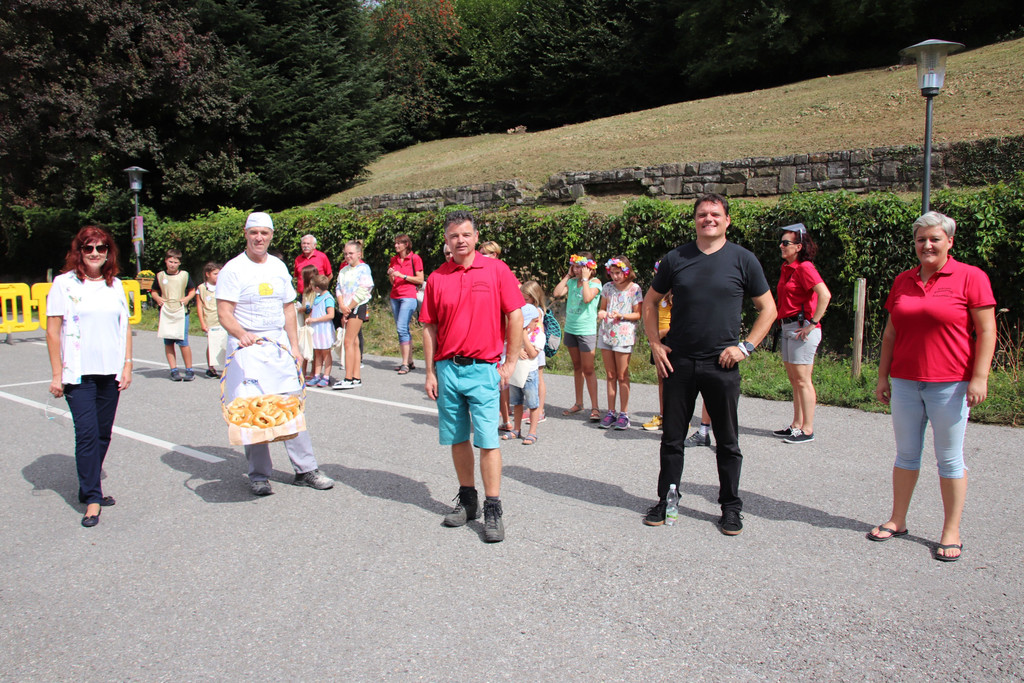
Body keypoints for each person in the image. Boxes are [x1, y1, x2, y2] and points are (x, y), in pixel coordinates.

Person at [642, 193, 777, 534]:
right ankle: (667, 500)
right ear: (695, 220)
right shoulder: (676, 258)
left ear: (727, 220)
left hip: (722, 363)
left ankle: (730, 507)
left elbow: (769, 309)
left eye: (715, 214)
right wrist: (655, 344)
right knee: (672, 439)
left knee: (727, 442)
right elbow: (650, 302)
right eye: (702, 214)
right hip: (679, 362)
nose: (709, 219)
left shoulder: (743, 260)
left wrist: (745, 347)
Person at [869, 211, 996, 563]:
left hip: (951, 384)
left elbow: (987, 330)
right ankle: (897, 519)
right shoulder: (903, 280)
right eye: (921, 239)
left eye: (935, 239)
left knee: (950, 459)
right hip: (906, 382)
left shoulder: (971, 277)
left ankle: (951, 531)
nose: (927, 245)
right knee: (906, 454)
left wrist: (980, 377)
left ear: (949, 242)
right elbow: (891, 333)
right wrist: (883, 377)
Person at [421, 210, 525, 543]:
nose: (460, 241)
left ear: (476, 237)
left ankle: (493, 508)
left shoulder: (496, 270)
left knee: (488, 440)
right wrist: (430, 372)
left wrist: (510, 362)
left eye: (466, 234)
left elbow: (515, 315)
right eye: (454, 236)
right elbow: (429, 327)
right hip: (448, 368)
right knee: (456, 438)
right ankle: (468, 500)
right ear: (446, 240)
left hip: (484, 368)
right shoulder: (437, 277)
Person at [216, 211, 335, 496]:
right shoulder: (233, 269)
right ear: (246, 234)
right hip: (247, 348)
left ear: (271, 236)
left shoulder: (279, 266)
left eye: (264, 233)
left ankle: (305, 470)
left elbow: (287, 309)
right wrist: (241, 334)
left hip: (277, 344)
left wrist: (295, 346)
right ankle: (259, 475)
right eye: (254, 232)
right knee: (254, 411)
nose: (259, 238)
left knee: (290, 406)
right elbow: (224, 312)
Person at [46, 226, 133, 527]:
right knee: (86, 433)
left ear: (109, 252)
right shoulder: (64, 284)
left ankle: (88, 486)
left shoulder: (115, 285)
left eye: (101, 248)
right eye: (88, 248)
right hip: (78, 373)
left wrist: (127, 365)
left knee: (102, 434)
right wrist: (57, 374)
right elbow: (53, 331)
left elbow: (124, 327)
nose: (95, 253)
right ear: (79, 252)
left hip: (110, 371)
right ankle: (93, 498)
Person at [773, 223, 832, 444]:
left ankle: (807, 429)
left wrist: (812, 323)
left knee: (803, 380)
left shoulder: (805, 267)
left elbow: (825, 295)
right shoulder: (787, 268)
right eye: (781, 242)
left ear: (798, 246)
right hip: (789, 327)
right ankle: (796, 425)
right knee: (795, 379)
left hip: (802, 329)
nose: (781, 246)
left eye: (785, 243)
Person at [552, 252, 602, 421]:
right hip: (571, 329)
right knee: (577, 367)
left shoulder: (595, 282)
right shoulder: (572, 282)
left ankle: (595, 407)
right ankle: (578, 403)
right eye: (575, 266)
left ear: (589, 268)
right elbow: (557, 293)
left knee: (588, 369)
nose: (577, 270)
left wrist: (586, 279)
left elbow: (587, 298)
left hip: (586, 331)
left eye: (580, 267)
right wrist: (568, 276)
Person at [596, 255, 643, 430]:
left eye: (618, 273)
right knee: (610, 375)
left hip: (623, 335)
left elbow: (637, 314)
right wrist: (602, 313)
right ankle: (611, 412)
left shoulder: (635, 289)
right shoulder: (607, 287)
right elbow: (602, 308)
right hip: (606, 333)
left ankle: (624, 414)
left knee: (622, 375)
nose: (615, 276)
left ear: (626, 272)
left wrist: (621, 315)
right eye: (612, 273)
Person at [150, 248, 196, 381]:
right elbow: (154, 291)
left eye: (175, 262)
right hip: (166, 311)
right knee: (168, 341)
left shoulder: (184, 275)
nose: (172, 265)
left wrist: (187, 298)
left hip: (181, 311)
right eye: (170, 262)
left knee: (183, 341)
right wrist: (158, 298)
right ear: (166, 261)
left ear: (179, 263)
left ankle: (189, 369)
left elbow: (192, 290)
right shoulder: (160, 276)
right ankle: (174, 369)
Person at [333, 240, 373, 390]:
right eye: (345, 254)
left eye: (351, 253)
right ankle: (356, 377)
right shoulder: (344, 270)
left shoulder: (364, 269)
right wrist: (342, 306)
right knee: (354, 342)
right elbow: (338, 288)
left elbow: (364, 289)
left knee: (348, 342)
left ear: (359, 254)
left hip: (357, 307)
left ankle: (348, 378)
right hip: (346, 308)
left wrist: (349, 307)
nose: (348, 256)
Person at [502, 296, 541, 445]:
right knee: (517, 402)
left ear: (535, 321)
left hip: (530, 374)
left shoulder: (539, 336)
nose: (523, 328)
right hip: (516, 373)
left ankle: (532, 432)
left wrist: (524, 336)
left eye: (526, 325)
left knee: (532, 403)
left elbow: (533, 353)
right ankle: (516, 429)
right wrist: (517, 350)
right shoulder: (514, 334)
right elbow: (509, 347)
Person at [385, 234, 424, 374]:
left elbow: (420, 279)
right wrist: (391, 275)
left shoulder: (415, 258)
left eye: (398, 243)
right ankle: (410, 361)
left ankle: (404, 364)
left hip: (408, 296)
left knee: (401, 328)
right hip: (395, 296)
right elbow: (393, 282)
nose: (396, 246)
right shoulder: (393, 259)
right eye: (395, 243)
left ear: (406, 244)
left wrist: (403, 276)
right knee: (402, 329)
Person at [521, 281, 549, 425]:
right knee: (529, 379)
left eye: (526, 298)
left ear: (534, 297)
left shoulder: (536, 311)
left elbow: (538, 331)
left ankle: (540, 410)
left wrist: (531, 345)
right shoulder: (528, 308)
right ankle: (531, 407)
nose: (523, 301)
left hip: (536, 347)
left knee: (538, 379)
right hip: (527, 346)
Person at [304, 274, 336, 388]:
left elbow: (331, 315)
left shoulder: (328, 298)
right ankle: (316, 375)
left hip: (324, 329)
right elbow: (314, 311)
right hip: (316, 329)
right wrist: (310, 318)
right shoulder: (317, 297)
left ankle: (326, 376)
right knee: (317, 352)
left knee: (326, 353)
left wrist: (315, 319)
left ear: (317, 287)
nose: (312, 288)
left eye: (313, 286)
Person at [196, 262, 226, 378]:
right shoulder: (201, 288)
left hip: (222, 320)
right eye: (215, 274)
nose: (218, 276)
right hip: (210, 320)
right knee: (212, 344)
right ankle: (211, 368)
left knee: (224, 344)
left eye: (219, 274)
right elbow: (199, 306)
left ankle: (227, 367)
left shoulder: (224, 286)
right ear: (208, 274)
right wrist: (202, 323)